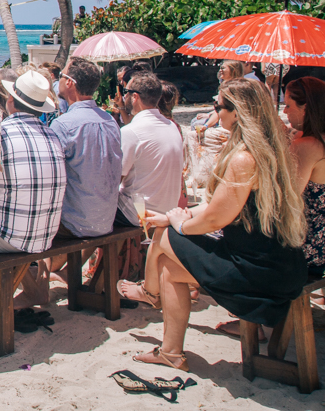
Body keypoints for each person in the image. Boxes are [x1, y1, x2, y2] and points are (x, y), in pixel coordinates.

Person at [120, 80, 308, 371]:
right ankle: (170, 351)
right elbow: (217, 205)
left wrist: (179, 225)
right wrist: (174, 216)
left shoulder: (244, 158)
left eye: (218, 107)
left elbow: (215, 219)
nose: (215, 112)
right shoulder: (273, 148)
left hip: (256, 272)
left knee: (168, 237)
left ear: (238, 113)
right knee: (170, 265)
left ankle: (150, 293)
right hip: (281, 263)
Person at [0, 71, 66, 308]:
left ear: (10, 101)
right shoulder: (53, 134)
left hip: (12, 237)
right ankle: (26, 291)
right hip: (46, 235)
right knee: (2, 219)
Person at [51, 58, 122, 238]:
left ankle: (45, 267)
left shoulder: (63, 125)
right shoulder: (110, 121)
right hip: (106, 218)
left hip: (74, 223)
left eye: (61, 76)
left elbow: (50, 176)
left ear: (69, 82)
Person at [117, 72, 185, 227]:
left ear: (135, 97)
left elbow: (114, 179)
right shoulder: (172, 127)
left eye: (126, 92)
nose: (124, 97)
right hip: (167, 209)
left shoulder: (132, 131)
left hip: (139, 212)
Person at [288, 77, 325, 279]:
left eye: (288, 105)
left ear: (305, 108)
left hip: (310, 249)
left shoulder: (307, 145)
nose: (284, 112)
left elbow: (288, 197)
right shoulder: (313, 140)